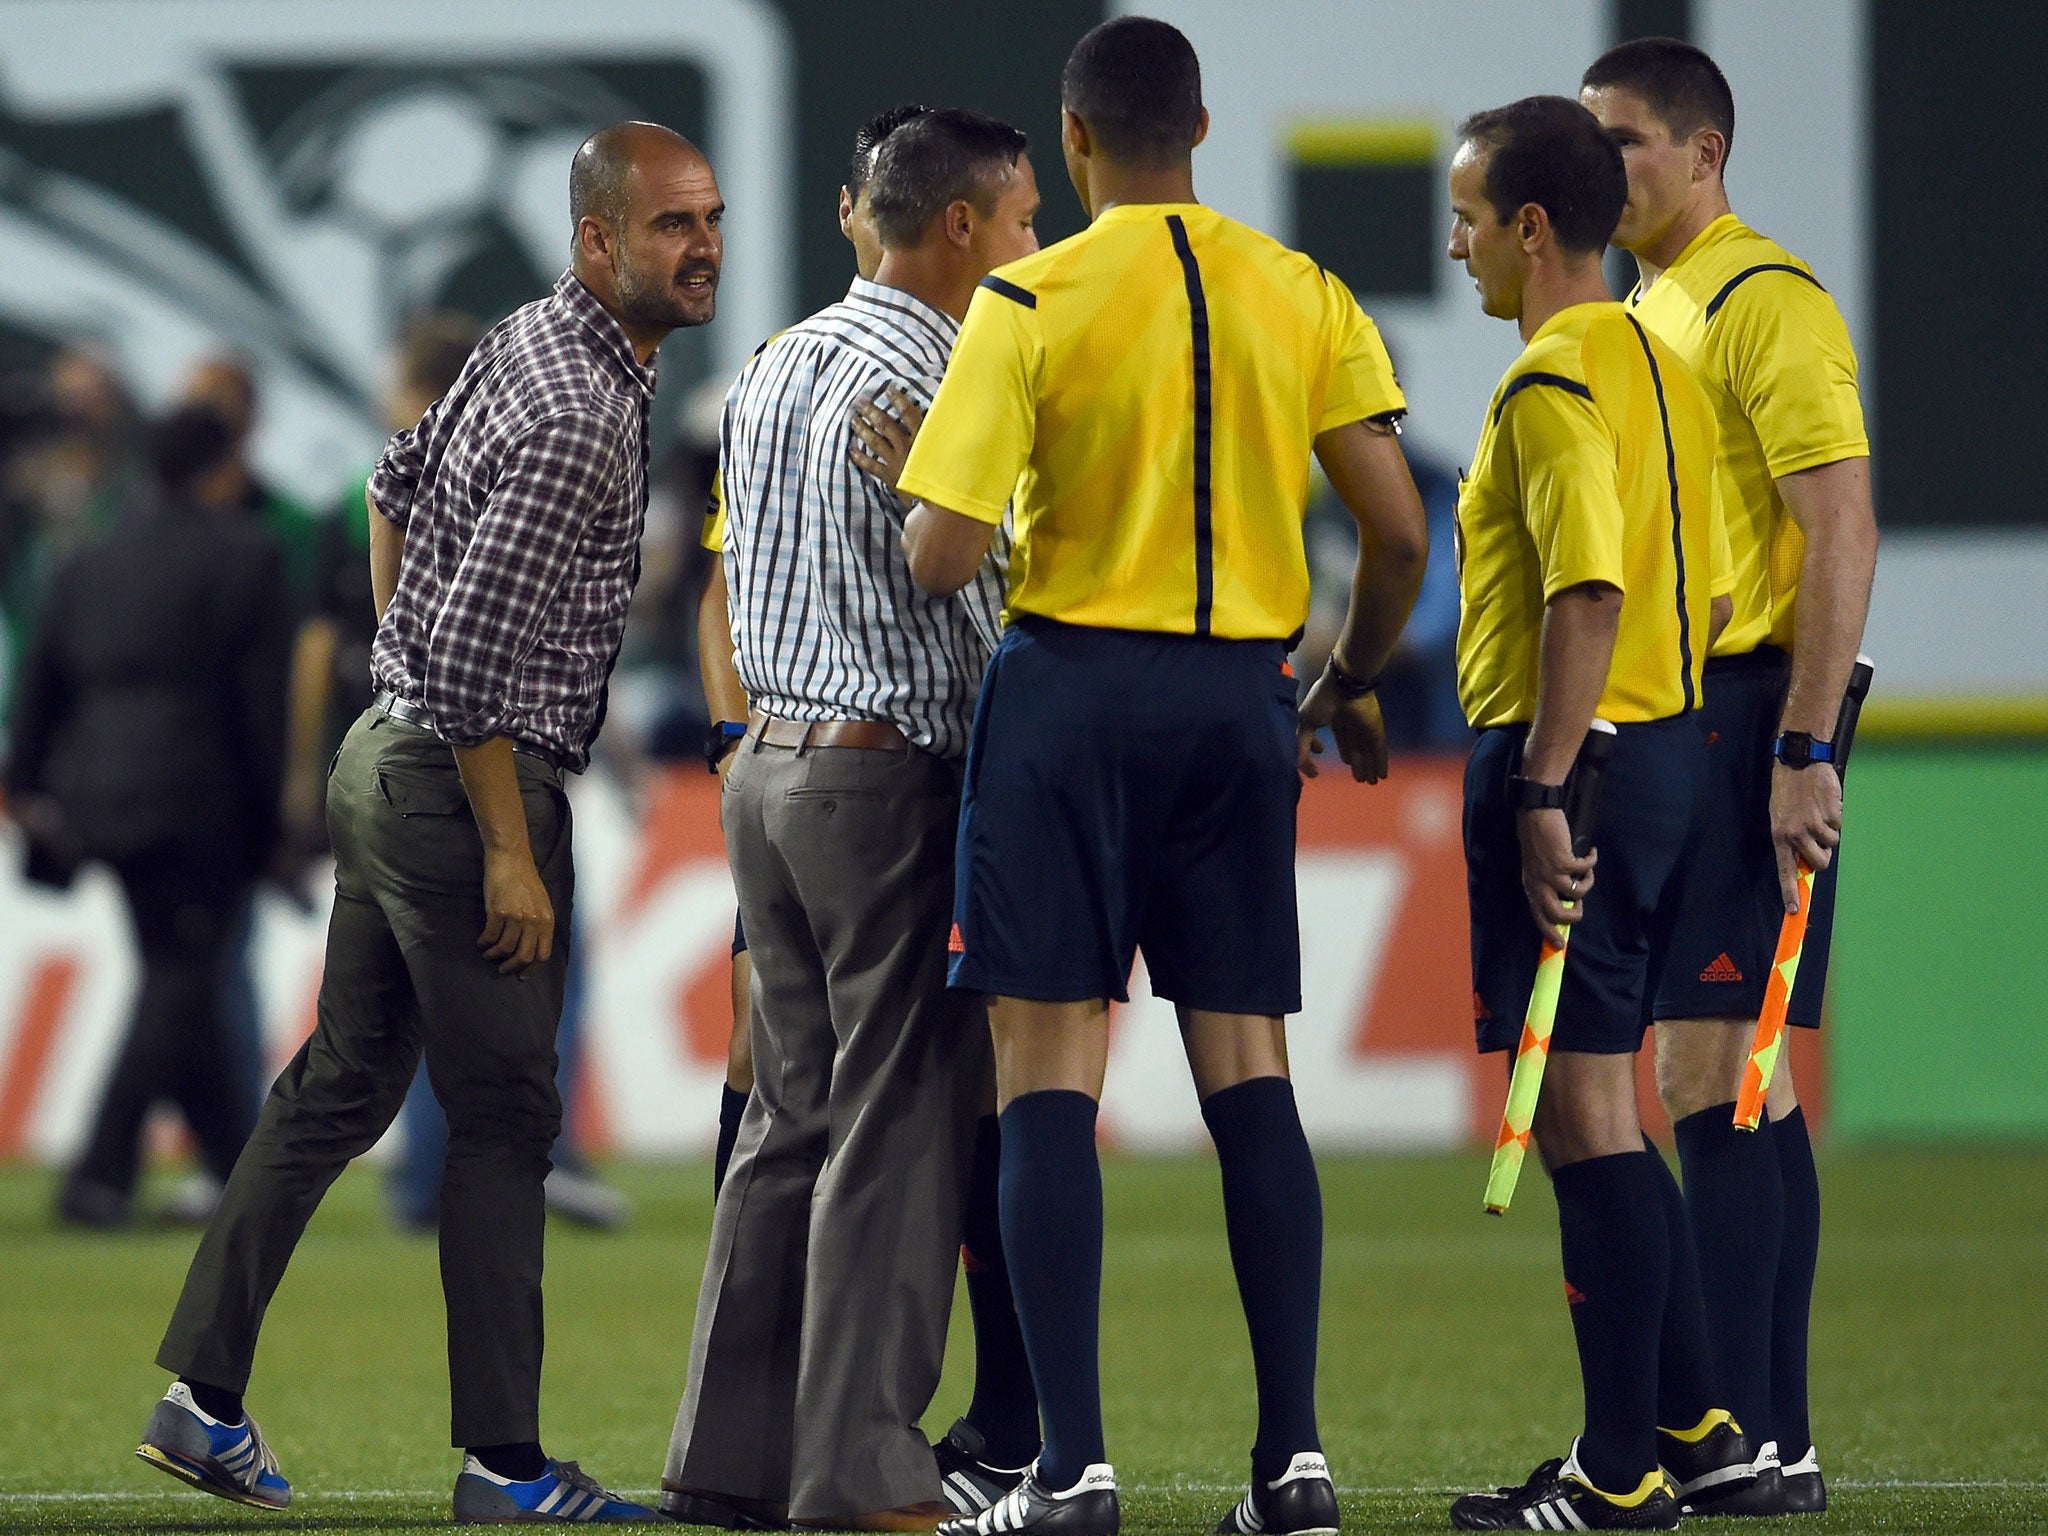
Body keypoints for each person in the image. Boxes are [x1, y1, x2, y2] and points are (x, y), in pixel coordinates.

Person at [135, 120, 722, 1525]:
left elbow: (387, 488)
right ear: (598, 242)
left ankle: (201, 1400)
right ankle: (506, 1470)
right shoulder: (583, 408)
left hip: (388, 762)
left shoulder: (526, 336)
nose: (701, 245)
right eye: (669, 226)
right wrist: (508, 840)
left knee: (340, 1083)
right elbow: (467, 666)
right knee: (508, 1119)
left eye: (709, 218)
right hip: (472, 788)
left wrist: (400, 681)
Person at [893, 20, 1427, 1536]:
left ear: (1073, 144)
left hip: (1067, 698)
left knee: (1047, 1070)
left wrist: (929, 487)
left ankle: (1074, 1470)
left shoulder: (1029, 292)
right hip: (1237, 705)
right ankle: (1296, 1465)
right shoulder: (1301, 288)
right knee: (1247, 1074)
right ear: (1198, 126)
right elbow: (1394, 535)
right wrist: (1349, 679)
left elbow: (938, 554)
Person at [660, 107, 1040, 1535]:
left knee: (784, 1123)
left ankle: (726, 1460)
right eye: (1019, 221)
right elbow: (988, 585)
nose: (1032, 245)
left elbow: (723, 580)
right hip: (888, 775)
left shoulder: (767, 363)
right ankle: (869, 1475)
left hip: (768, 768)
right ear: (957, 228)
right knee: (895, 1130)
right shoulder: (954, 369)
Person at [1438, 97, 1753, 1532]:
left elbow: (1587, 589)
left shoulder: (1555, 379)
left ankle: (1617, 1473)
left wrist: (1550, 783)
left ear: (1530, 227)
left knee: (1582, 1113)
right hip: (1673, 750)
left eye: (1464, 218)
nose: (1454, 248)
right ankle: (1696, 1423)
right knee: (1609, 1096)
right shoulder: (1662, 365)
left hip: (1580, 763)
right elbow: (1718, 583)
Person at [1581, 38, 1876, 1517]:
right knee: (1717, 1074)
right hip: (1679, 713)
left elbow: (1841, 525)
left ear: (1704, 152)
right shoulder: (1648, 308)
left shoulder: (1767, 301)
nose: (1603, 168)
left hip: (1759, 711)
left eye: (1625, 142)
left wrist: (1806, 744)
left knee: (1719, 1070)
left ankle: (1757, 1436)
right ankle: (1767, 1438)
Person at [701, 102, 933, 1193]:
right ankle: (790, 1326)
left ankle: (997, 1363)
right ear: (849, 213)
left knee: (932, 1065)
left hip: (853, 757)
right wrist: (727, 732)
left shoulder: (948, 363)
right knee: (780, 1049)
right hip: (822, 757)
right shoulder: (781, 373)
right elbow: (724, 582)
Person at [6, 404, 291, 1230]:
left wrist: (28, 786)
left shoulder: (87, 560)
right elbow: (260, 707)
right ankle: (98, 1175)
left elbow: (40, 683)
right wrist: (277, 825)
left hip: (103, 800)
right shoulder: (247, 557)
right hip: (206, 805)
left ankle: (240, 1170)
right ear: (218, 469)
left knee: (178, 975)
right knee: (179, 979)